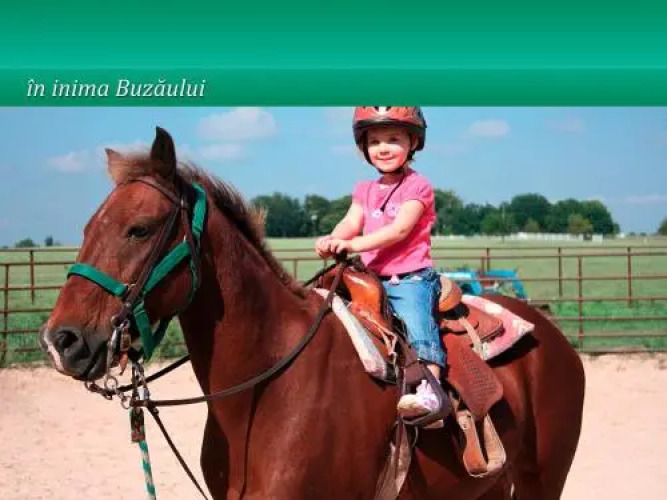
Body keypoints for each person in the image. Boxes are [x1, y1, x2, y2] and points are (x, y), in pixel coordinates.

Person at [315, 106, 446, 422]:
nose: (383, 148)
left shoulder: (418, 187)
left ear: (413, 142)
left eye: (393, 139)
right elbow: (351, 222)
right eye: (374, 141)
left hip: (410, 278)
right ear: (364, 147)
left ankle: (431, 388)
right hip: (370, 278)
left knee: (417, 323)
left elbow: (399, 230)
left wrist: (354, 245)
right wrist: (333, 238)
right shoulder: (365, 189)